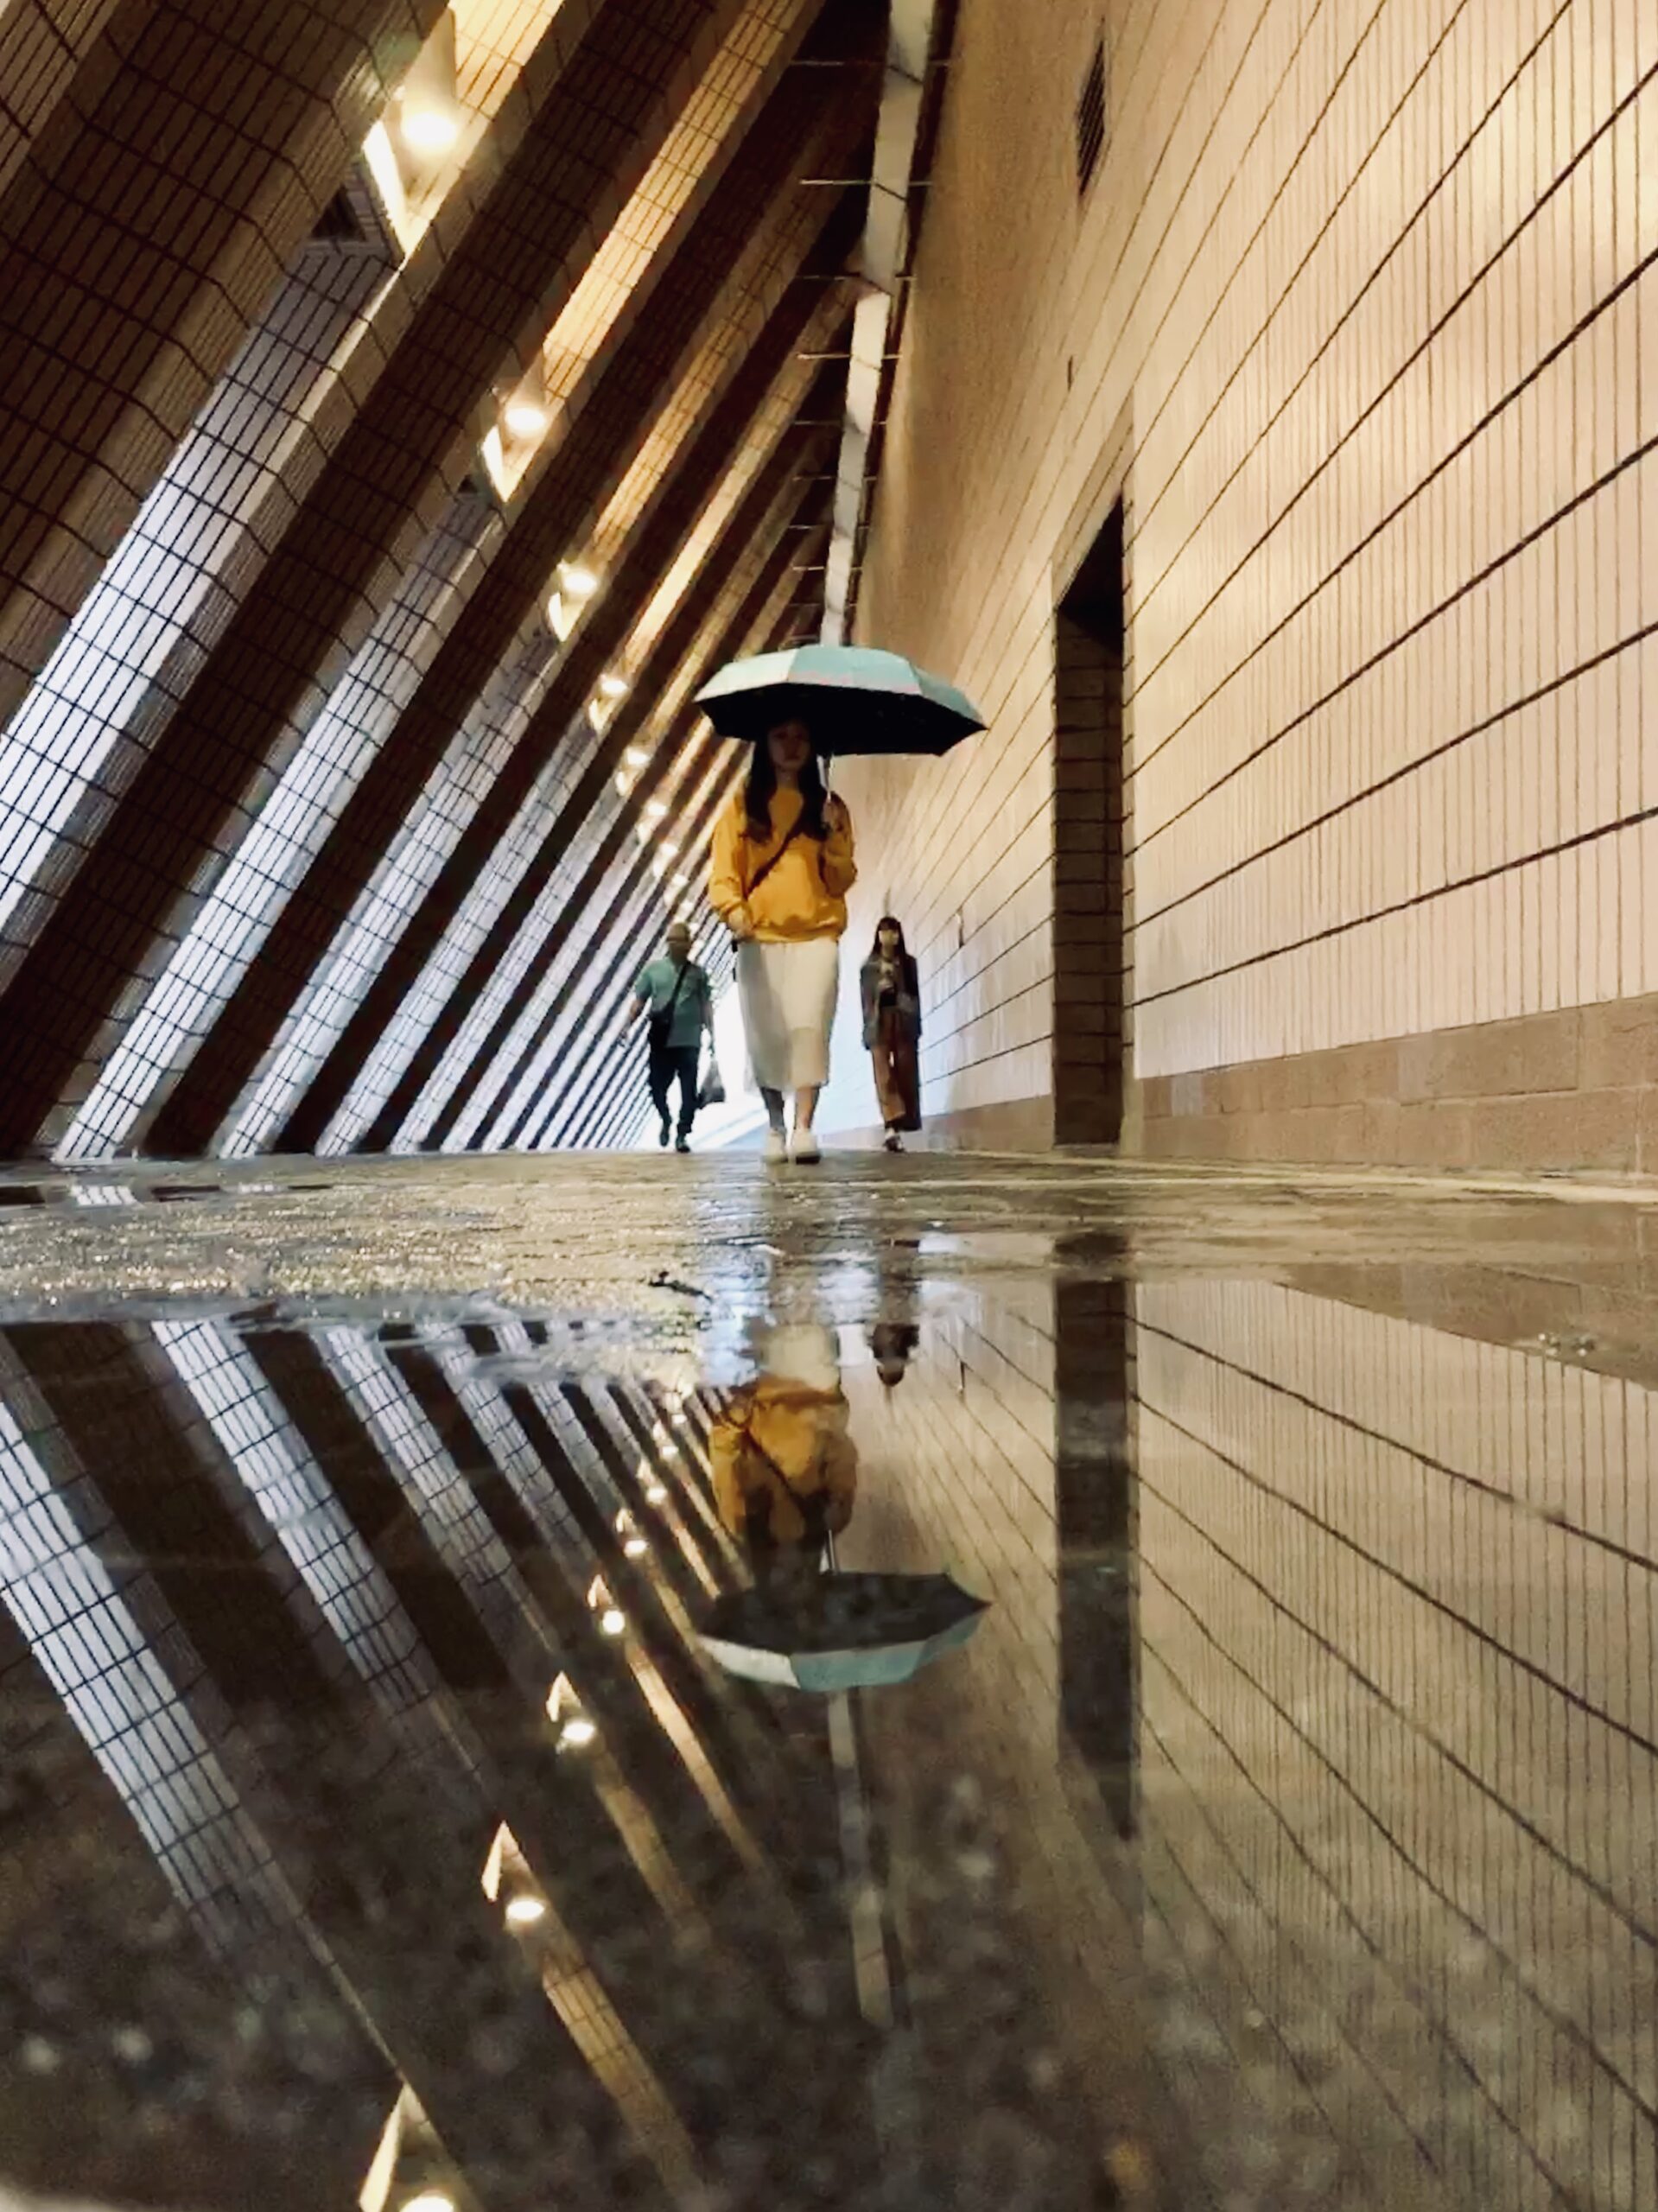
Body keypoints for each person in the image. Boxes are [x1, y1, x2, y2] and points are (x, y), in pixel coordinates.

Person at [708, 718, 855, 1164]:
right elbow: (723, 873)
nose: (792, 747)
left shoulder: (831, 807)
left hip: (818, 934)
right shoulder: (742, 805)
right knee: (767, 1034)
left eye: (801, 737)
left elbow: (841, 879)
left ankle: (804, 1127)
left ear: (813, 746)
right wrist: (735, 914)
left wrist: (832, 837)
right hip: (760, 937)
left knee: (810, 1027)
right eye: (781, 736)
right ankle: (774, 1125)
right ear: (764, 744)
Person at [630, 919, 714, 1153]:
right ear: (668, 944)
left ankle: (682, 1134)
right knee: (656, 1087)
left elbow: (706, 1005)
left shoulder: (698, 974)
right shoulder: (653, 971)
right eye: (675, 942)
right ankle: (666, 1118)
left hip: (689, 1041)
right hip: (661, 1040)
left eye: (683, 943)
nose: (679, 947)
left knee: (689, 1091)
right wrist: (627, 1025)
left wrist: (712, 1034)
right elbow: (639, 1001)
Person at [860, 915, 922, 1151]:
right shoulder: (869, 968)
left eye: (894, 932)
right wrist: (879, 993)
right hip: (879, 1023)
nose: (889, 937)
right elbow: (865, 1002)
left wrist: (899, 996)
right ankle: (891, 1127)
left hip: (903, 1021)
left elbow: (915, 997)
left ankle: (902, 1122)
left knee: (906, 1071)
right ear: (877, 936)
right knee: (883, 1075)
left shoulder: (908, 964)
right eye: (884, 932)